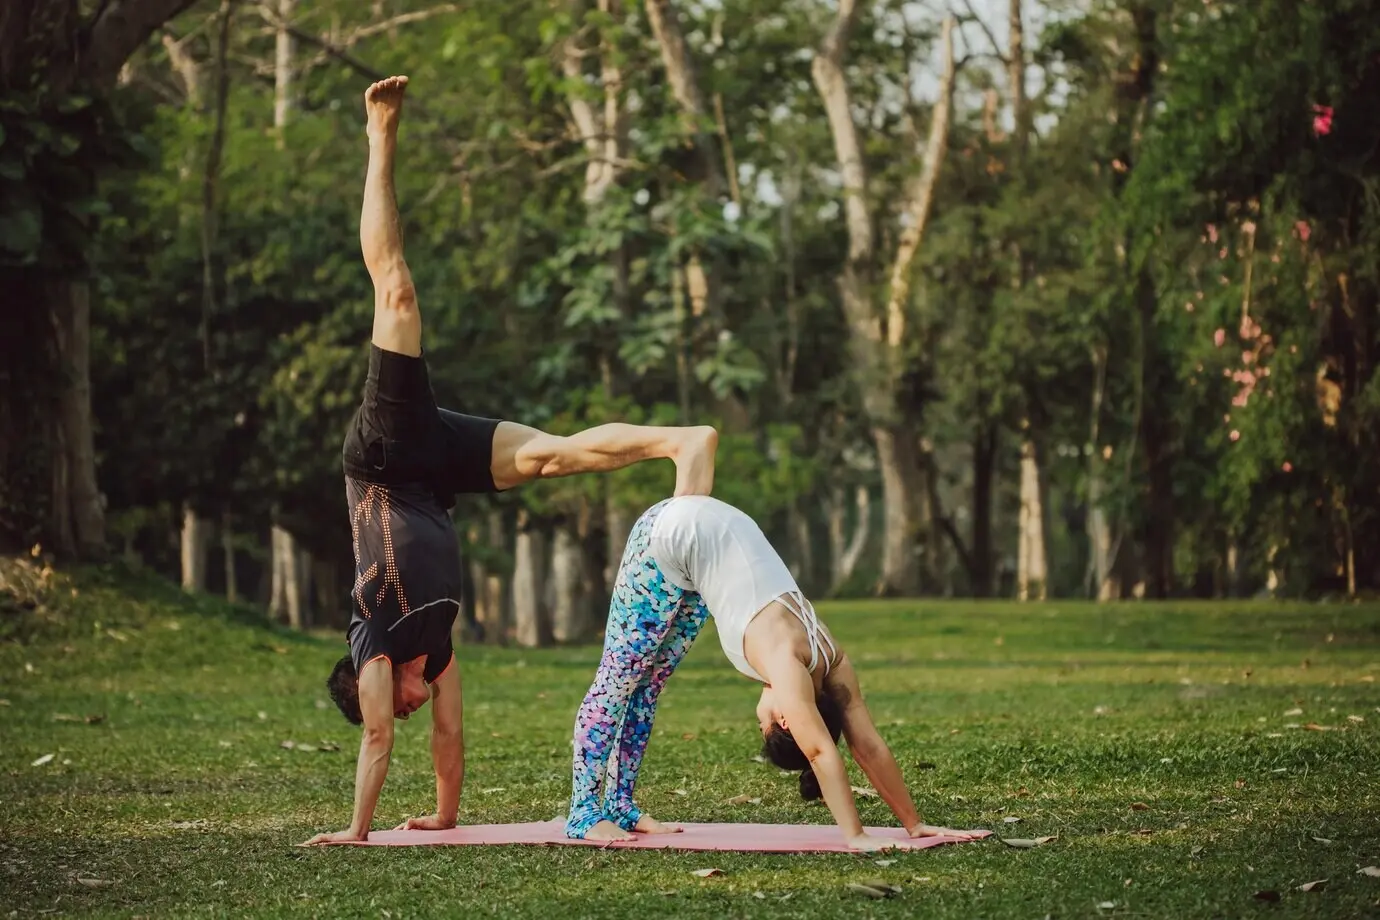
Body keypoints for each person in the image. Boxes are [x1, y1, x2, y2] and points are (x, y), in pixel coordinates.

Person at [301, 76, 718, 847]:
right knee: (550, 461)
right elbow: (450, 741)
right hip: (435, 478)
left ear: (377, 687)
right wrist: (446, 816)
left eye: (398, 702)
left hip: (388, 462)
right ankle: (679, 439)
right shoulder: (438, 653)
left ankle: (380, 134)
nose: (414, 706)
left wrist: (356, 833)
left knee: (394, 295)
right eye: (408, 704)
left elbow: (378, 740)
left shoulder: (374, 641)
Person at [564, 495, 975, 851]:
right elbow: (818, 751)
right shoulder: (786, 665)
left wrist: (913, 824)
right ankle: (584, 814)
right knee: (616, 682)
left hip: (704, 539)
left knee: (646, 685)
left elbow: (867, 747)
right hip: (669, 534)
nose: (758, 710)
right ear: (784, 719)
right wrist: (855, 834)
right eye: (761, 721)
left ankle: (619, 807)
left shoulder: (831, 659)